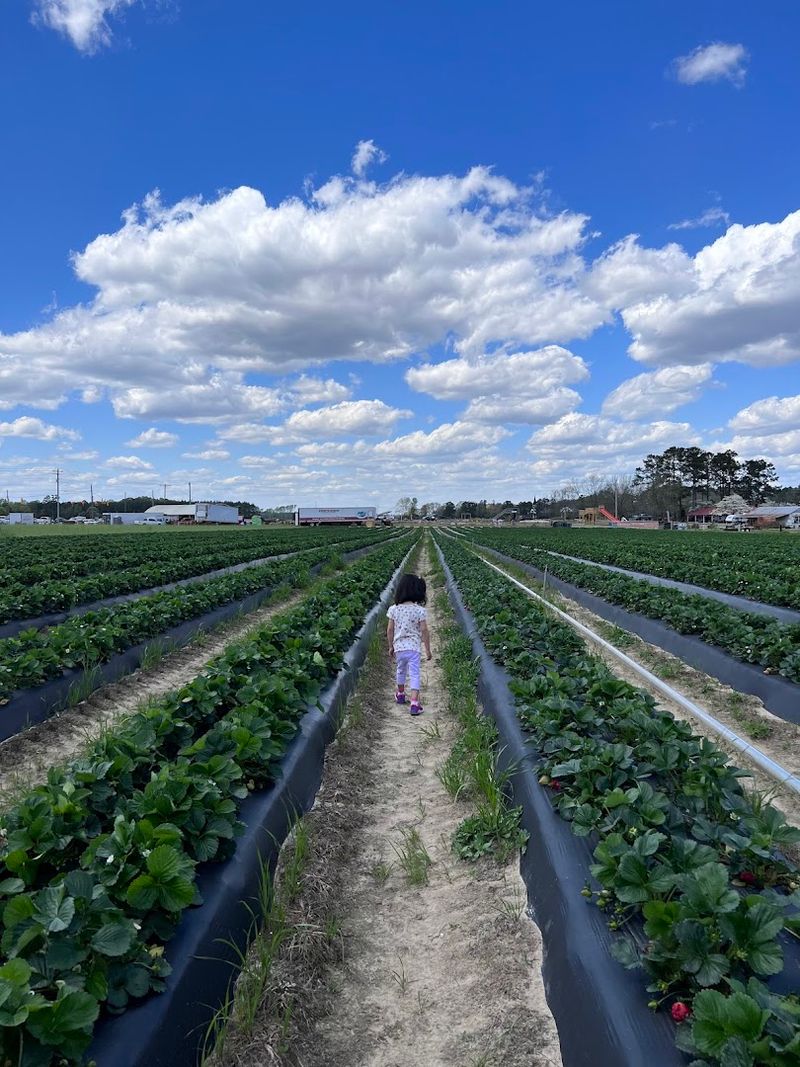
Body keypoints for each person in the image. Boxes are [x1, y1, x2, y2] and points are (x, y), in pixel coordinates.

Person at [387, 573, 432, 716]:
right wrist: (427, 649)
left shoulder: (394, 609)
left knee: (400, 670)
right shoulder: (419, 610)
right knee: (414, 674)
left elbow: (390, 629)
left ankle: (400, 694)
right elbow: (424, 630)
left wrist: (391, 646)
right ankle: (414, 703)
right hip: (413, 648)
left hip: (399, 647)